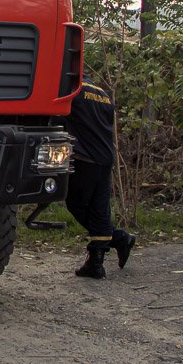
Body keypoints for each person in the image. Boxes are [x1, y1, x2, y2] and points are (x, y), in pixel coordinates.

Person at [64, 76, 136, 279]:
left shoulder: (73, 92)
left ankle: (119, 239)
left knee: (75, 203)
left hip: (85, 158)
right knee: (98, 208)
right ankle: (96, 262)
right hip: (105, 157)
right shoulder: (102, 94)